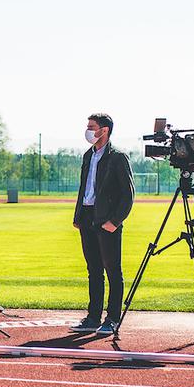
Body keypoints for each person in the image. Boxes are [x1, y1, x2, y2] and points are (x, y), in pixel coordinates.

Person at [71, 113, 135, 336]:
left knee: (112, 271)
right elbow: (84, 189)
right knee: (93, 270)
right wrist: (78, 216)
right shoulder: (88, 155)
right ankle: (92, 317)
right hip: (87, 217)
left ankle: (113, 319)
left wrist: (115, 221)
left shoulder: (118, 157)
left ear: (104, 130)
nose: (88, 130)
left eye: (92, 126)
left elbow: (128, 194)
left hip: (107, 220)